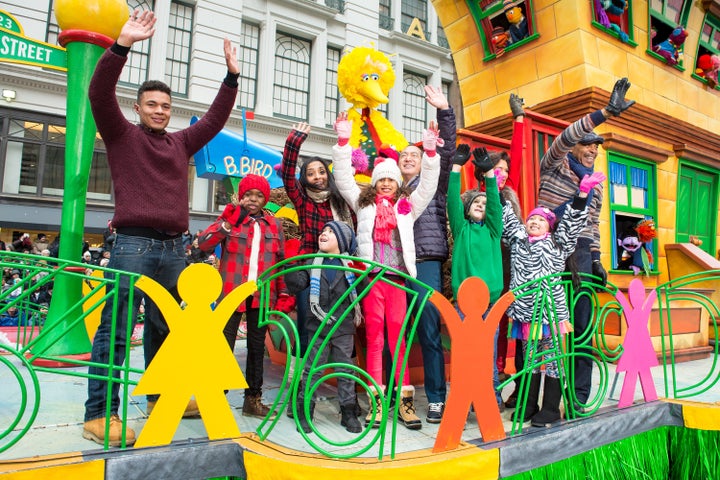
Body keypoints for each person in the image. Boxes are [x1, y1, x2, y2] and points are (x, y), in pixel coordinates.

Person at [82, 9, 240, 447]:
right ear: (138, 108)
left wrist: (230, 78)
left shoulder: (180, 142)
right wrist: (123, 44)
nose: (159, 110)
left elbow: (212, 121)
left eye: (166, 106)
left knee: (169, 329)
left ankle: (160, 398)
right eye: (151, 104)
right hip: (132, 245)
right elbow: (99, 93)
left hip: (176, 249)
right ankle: (99, 415)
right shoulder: (121, 134)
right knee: (115, 331)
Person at [331, 112, 440, 430]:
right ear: (376, 182)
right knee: (376, 340)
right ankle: (377, 403)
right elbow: (344, 180)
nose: (388, 184)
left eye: (392, 179)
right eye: (383, 179)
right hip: (372, 281)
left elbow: (429, 186)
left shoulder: (406, 206)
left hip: (397, 281)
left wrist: (430, 154)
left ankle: (405, 404)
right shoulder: (362, 203)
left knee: (399, 340)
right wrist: (342, 143)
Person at [537, 77, 635, 413]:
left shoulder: (595, 185)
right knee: (547, 326)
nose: (593, 149)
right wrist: (605, 112)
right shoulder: (553, 165)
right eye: (589, 143)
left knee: (582, 327)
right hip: (549, 250)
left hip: (579, 252)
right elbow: (565, 136)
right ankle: (543, 399)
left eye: (597, 146)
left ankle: (578, 396)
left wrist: (595, 258)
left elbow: (592, 224)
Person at [502, 172, 605, 427]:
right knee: (529, 361)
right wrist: (494, 183)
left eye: (540, 219)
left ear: (549, 225)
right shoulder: (518, 241)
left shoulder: (559, 244)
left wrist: (582, 195)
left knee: (553, 362)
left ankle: (549, 408)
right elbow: (507, 217)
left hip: (550, 313)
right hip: (526, 314)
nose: (534, 222)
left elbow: (571, 224)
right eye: (531, 219)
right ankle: (527, 404)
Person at [197, 174, 288, 420]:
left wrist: (281, 296)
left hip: (261, 295)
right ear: (241, 196)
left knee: (257, 348)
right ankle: (216, 396)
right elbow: (204, 244)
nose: (253, 200)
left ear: (265, 199)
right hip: (230, 293)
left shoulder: (274, 225)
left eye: (259, 196)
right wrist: (227, 223)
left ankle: (253, 399)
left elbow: (279, 263)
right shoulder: (230, 219)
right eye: (248, 195)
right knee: (223, 347)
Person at [397, 85, 455, 424]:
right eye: (403, 155)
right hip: (395, 268)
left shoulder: (432, 184)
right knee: (397, 333)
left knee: (429, 331)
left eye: (413, 155)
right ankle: (401, 398)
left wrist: (444, 111)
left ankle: (436, 397)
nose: (407, 157)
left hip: (426, 263)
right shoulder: (388, 191)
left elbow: (444, 158)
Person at [279, 122, 354, 375]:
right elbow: (288, 174)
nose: (317, 177)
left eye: (321, 172)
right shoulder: (302, 199)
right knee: (306, 324)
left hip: (339, 271)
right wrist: (294, 141)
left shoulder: (340, 201)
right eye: (311, 173)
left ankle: (341, 380)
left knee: (341, 325)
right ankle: (298, 378)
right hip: (310, 269)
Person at [285, 221, 365, 434]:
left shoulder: (349, 265)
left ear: (343, 241)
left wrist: (362, 272)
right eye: (323, 231)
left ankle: (348, 411)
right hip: (317, 326)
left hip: (343, 326)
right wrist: (291, 266)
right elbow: (296, 284)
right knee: (312, 369)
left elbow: (363, 288)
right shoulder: (312, 262)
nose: (324, 234)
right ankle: (305, 411)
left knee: (345, 369)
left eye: (331, 232)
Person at [447, 144, 505, 411]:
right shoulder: (461, 230)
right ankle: (464, 397)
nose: (482, 205)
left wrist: (489, 173)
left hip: (490, 302)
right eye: (476, 202)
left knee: (488, 352)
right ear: (467, 209)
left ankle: (490, 397)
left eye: (484, 203)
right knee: (465, 352)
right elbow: (451, 202)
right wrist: (457, 167)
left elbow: (494, 203)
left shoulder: (493, 230)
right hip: (465, 303)